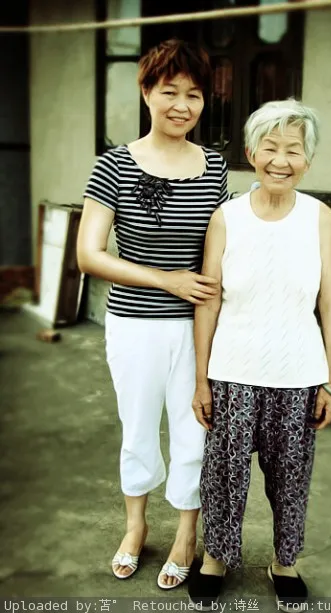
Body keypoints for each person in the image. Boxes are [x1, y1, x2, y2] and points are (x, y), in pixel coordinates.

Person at [77, 38, 228, 589]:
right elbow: (89, 255)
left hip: (197, 328)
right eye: (170, 92)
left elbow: (217, 252)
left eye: (194, 94)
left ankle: (187, 534)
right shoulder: (114, 165)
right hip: (134, 325)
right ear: (146, 92)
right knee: (138, 428)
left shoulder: (214, 165)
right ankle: (135, 527)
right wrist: (168, 280)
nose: (182, 105)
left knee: (194, 430)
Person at [188, 99, 331, 610]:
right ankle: (216, 558)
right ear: (252, 153)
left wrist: (330, 380)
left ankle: (285, 562)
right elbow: (209, 301)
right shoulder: (226, 218)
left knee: (291, 478)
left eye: (293, 150)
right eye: (270, 147)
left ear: (308, 160)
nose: (281, 160)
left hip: (298, 373)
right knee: (224, 475)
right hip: (233, 371)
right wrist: (202, 379)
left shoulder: (320, 219)